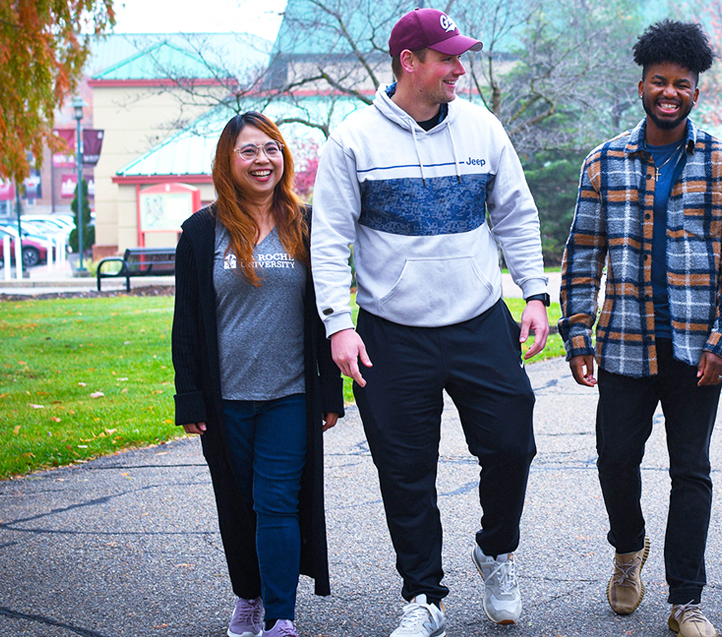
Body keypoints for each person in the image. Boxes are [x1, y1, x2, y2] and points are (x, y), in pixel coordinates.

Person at [309, 7, 549, 637]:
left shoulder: (482, 128)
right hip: (392, 332)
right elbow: (329, 238)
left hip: (478, 321)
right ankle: (423, 595)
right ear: (408, 63)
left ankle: (495, 552)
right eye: (446, 58)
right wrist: (339, 322)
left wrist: (534, 294)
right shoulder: (353, 140)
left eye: (459, 56)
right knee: (404, 467)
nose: (458, 68)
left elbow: (516, 215)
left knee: (510, 445)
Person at [558, 20, 722, 637]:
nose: (670, 92)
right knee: (615, 459)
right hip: (624, 343)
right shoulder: (608, 160)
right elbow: (583, 252)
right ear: (642, 85)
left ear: (696, 90)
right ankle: (628, 548)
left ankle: (686, 601)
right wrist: (577, 334)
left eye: (682, 84)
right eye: (659, 82)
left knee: (689, 470)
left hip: (697, 351)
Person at [172, 111, 344, 637]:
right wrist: (190, 397)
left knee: (276, 502)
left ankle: (280, 616)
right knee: (237, 502)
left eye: (271, 148)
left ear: (283, 157)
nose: (262, 160)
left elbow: (327, 311)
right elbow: (187, 325)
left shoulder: (307, 225)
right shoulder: (202, 233)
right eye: (249, 151)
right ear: (229, 160)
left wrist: (329, 391)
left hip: (290, 395)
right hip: (227, 399)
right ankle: (247, 596)